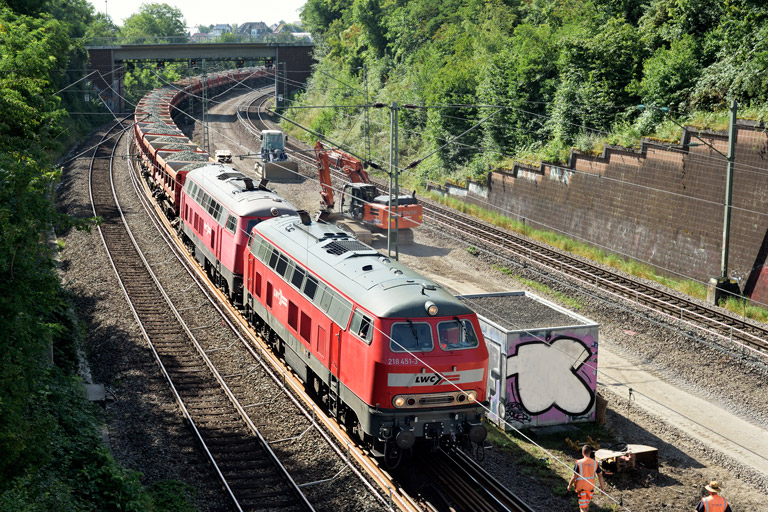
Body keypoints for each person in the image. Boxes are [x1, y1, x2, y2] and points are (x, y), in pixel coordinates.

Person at [567, 444, 605, 511]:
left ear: (582, 452)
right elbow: (600, 476)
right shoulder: (595, 463)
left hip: (581, 488)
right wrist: (602, 489)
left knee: (582, 508)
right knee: (586, 505)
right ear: (590, 452)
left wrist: (570, 485)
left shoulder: (579, 463)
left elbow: (574, 476)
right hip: (590, 488)